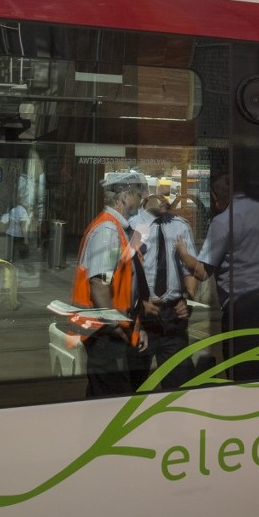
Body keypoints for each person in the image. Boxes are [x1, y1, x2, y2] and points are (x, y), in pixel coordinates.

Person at [194, 175, 259, 381]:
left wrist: (182, 252)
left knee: (242, 372)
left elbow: (202, 272)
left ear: (215, 198)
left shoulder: (224, 221)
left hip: (245, 308)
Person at [71, 169, 149, 398]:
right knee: (112, 399)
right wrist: (119, 327)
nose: (143, 199)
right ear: (124, 196)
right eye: (138, 194)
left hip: (111, 330)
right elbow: (99, 285)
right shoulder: (107, 230)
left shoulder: (117, 228)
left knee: (102, 397)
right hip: (104, 333)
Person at [131, 195, 199, 389]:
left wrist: (188, 301)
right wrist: (138, 304)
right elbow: (124, 272)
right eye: (158, 196)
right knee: (134, 383)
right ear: (145, 200)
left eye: (166, 196)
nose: (164, 200)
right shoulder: (134, 225)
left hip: (172, 317)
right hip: (142, 316)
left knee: (178, 383)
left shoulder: (180, 226)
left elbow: (190, 269)